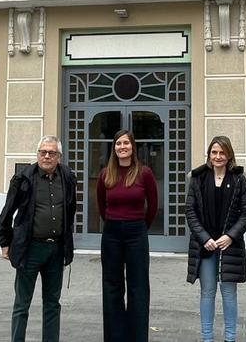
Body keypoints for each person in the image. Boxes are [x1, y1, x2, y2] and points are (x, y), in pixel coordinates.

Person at [0, 135, 77, 342]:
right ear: (38, 154)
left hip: (56, 250)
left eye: (51, 153)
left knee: (52, 303)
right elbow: (7, 212)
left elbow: (70, 209)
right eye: (43, 152)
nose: (47, 156)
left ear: (59, 156)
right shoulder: (24, 178)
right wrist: (4, 242)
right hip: (30, 249)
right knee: (22, 304)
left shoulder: (67, 177)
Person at [185, 135, 246, 342]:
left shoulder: (238, 178)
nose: (218, 156)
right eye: (214, 152)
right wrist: (204, 238)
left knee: (229, 294)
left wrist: (231, 236)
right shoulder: (198, 178)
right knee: (207, 293)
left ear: (229, 154)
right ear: (209, 154)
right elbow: (190, 210)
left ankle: (230, 338)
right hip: (205, 246)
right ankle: (207, 338)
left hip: (229, 246)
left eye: (222, 152)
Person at [96, 129, 158, 342]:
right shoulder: (106, 174)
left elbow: (153, 205)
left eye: (126, 143)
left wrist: (139, 226)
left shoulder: (144, 173)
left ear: (133, 147)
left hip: (136, 233)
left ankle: (137, 337)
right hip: (111, 233)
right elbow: (101, 205)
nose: (122, 147)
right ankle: (115, 337)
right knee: (112, 285)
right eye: (118, 144)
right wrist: (114, 221)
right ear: (114, 148)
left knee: (138, 286)